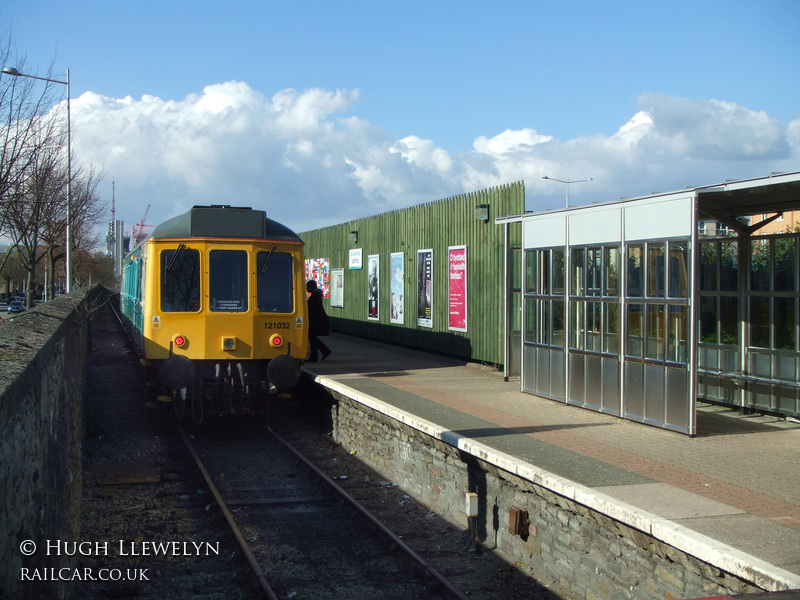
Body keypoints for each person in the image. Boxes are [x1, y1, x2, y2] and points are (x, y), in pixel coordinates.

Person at [306, 279, 331, 362]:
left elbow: (311, 308)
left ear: (311, 286)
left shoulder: (315, 296)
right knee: (312, 337)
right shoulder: (316, 294)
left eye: (307, 286)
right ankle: (323, 352)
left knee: (312, 337)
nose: (306, 288)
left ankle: (316, 356)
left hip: (317, 320)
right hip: (318, 320)